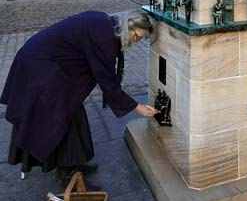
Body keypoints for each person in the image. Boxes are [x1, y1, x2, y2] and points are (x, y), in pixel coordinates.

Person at [0, 10, 158, 186]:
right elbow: (107, 80)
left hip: (44, 62)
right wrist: (137, 107)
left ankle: (72, 165)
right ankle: (69, 177)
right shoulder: (105, 38)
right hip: (40, 67)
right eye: (136, 36)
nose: (136, 42)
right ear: (128, 27)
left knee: (73, 112)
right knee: (57, 118)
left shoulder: (106, 23)